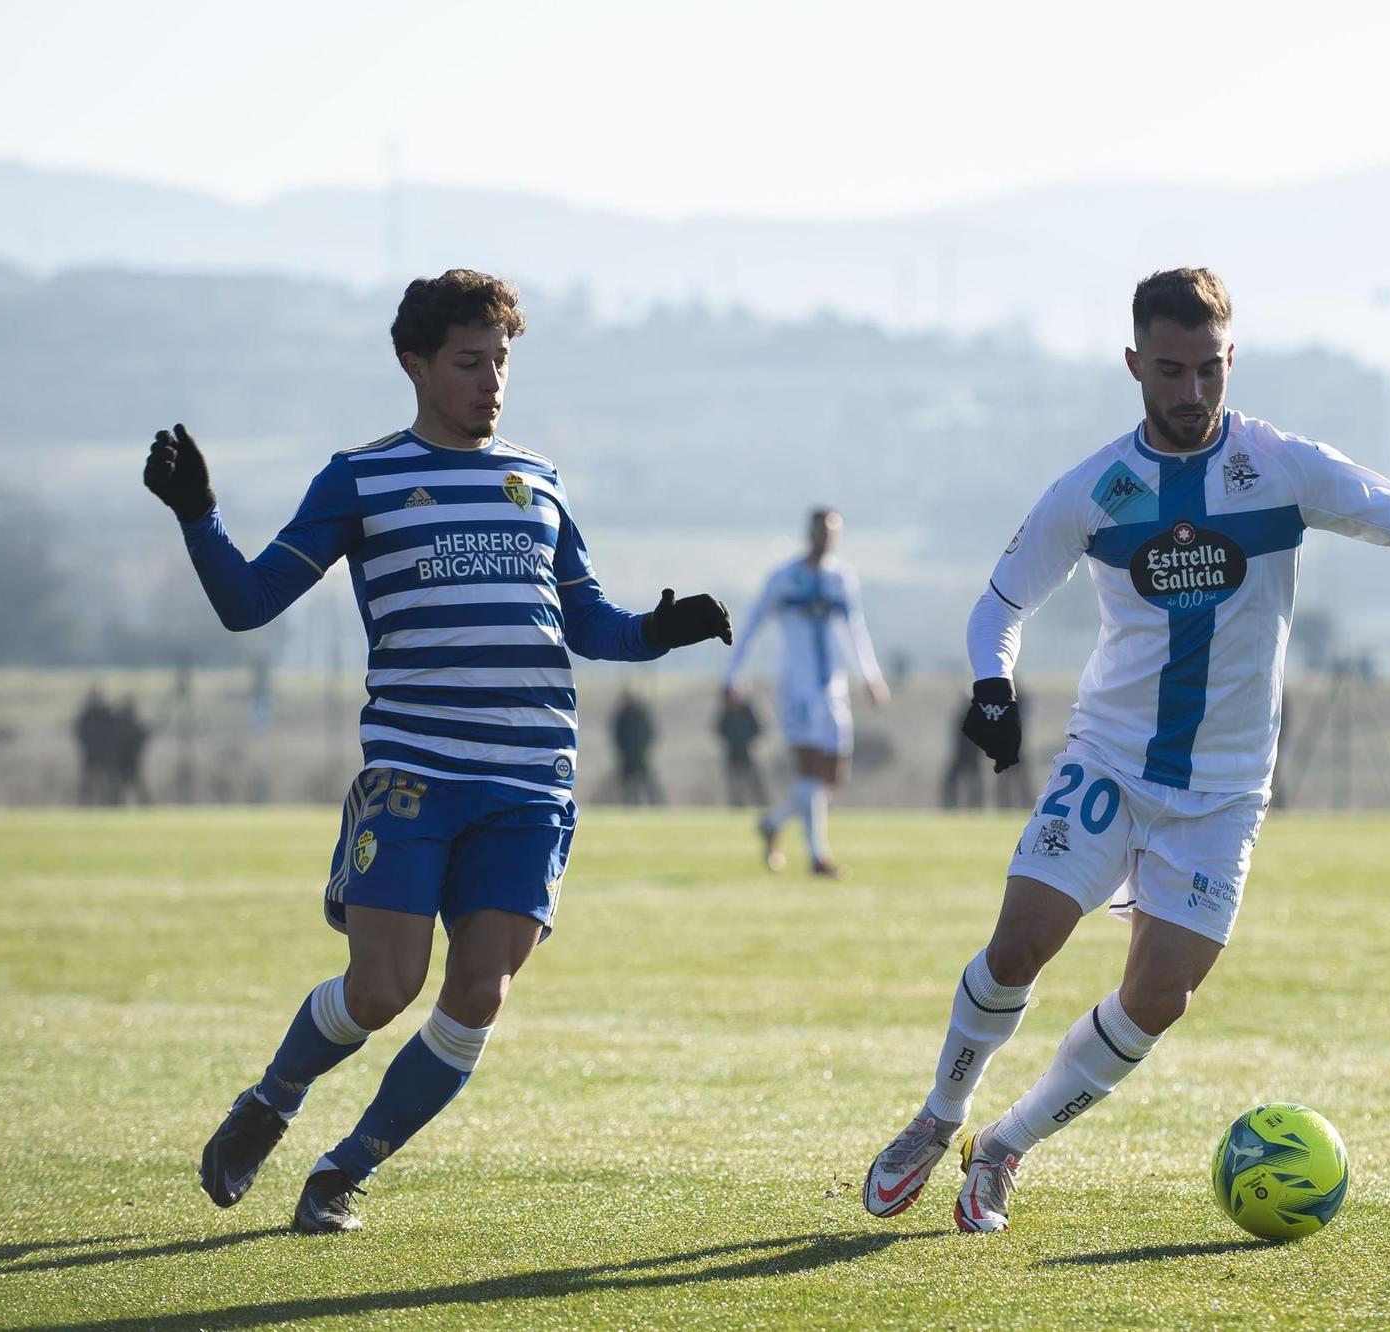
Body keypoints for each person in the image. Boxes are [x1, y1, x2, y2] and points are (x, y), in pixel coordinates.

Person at [861, 267, 1390, 1233]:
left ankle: (1005, 1148)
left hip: (1227, 792)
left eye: (1210, 369)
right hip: (1110, 763)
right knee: (1019, 944)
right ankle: (938, 1115)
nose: (1193, 392)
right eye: (1171, 370)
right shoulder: (1098, 488)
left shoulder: (1281, 466)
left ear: (1231, 359)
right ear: (1134, 366)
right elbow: (1001, 604)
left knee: (1157, 1000)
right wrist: (994, 689)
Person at [142, 269, 730, 1234]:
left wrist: (659, 630)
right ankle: (272, 1101)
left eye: (501, 361)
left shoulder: (538, 481)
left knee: (477, 996)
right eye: (469, 362)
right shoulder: (360, 478)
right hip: (415, 775)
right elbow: (246, 606)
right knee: (381, 989)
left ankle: (341, 1173)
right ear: (414, 365)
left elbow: (590, 624)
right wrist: (198, 515)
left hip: (531, 783)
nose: (491, 381)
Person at [723, 508, 888, 877]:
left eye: (832, 532)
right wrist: (733, 676)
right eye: (820, 531)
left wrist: (870, 677)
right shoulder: (785, 578)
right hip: (797, 688)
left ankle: (773, 823)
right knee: (810, 770)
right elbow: (752, 625)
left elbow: (854, 630)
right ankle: (818, 857)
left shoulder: (841, 579)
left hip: (832, 686)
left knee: (831, 775)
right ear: (809, 533)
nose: (825, 538)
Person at [611, 689, 663, 806]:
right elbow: (618, 735)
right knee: (629, 784)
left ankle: (655, 803)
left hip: (639, 755)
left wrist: (644, 749)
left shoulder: (638, 714)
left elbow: (648, 733)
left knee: (646, 782)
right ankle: (631, 803)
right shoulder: (623, 716)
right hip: (628, 756)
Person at [715, 694, 768, 807]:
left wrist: (747, 740)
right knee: (735, 786)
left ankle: (762, 806)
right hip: (733, 753)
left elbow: (757, 728)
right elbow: (719, 729)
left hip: (747, 752)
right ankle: (738, 807)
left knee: (755, 784)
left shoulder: (746, 711)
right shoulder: (727, 712)